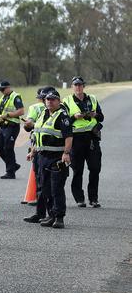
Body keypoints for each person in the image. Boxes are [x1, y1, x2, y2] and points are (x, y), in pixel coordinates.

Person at [27, 87, 72, 228]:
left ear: (59, 101)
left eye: (53, 100)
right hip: (42, 156)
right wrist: (33, 151)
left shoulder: (62, 115)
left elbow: (69, 137)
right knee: (45, 189)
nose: (50, 102)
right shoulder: (43, 114)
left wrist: (66, 153)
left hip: (56, 157)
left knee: (56, 188)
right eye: (48, 99)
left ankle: (59, 218)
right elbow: (38, 134)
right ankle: (51, 215)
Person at [62, 76, 104, 208]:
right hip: (76, 139)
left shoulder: (92, 99)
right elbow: (64, 121)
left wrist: (95, 115)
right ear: (72, 87)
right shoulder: (67, 101)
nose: (78, 87)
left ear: (83, 86)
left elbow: (101, 117)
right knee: (77, 170)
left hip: (92, 138)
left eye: (80, 85)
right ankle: (79, 198)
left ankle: (93, 198)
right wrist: (74, 117)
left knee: (95, 168)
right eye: (76, 85)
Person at [22, 87, 49, 223]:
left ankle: (49, 215)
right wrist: (32, 150)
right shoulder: (49, 111)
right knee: (43, 183)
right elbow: (36, 132)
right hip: (39, 148)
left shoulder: (36, 108)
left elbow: (29, 128)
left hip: (47, 152)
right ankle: (42, 214)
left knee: (44, 183)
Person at [0, 80, 24, 179]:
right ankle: (13, 165)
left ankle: (10, 172)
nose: (1, 91)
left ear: (8, 87)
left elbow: (21, 111)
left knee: (8, 148)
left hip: (12, 126)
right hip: (3, 126)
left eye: (3, 89)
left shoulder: (15, 97)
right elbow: (1, 111)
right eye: (0, 90)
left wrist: (7, 115)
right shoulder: (3, 98)